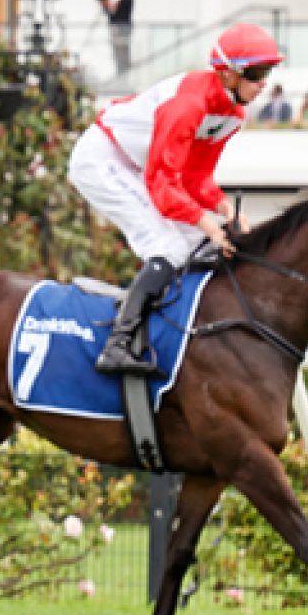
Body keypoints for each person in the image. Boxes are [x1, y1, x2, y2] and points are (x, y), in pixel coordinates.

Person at [67, 22, 280, 375]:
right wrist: (209, 224)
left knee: (198, 244)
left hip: (139, 165)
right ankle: (117, 344)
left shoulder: (232, 114)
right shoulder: (187, 106)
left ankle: (176, 331)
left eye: (267, 73)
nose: (263, 84)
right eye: (256, 73)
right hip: (102, 158)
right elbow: (164, 182)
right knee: (168, 248)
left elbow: (195, 176)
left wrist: (225, 210)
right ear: (227, 75)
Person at [99, 0, 135, 76]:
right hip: (120, 28)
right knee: (119, 53)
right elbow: (115, 9)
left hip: (122, 29)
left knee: (122, 53)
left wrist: (107, 4)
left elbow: (117, 9)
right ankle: (121, 71)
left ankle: (123, 71)